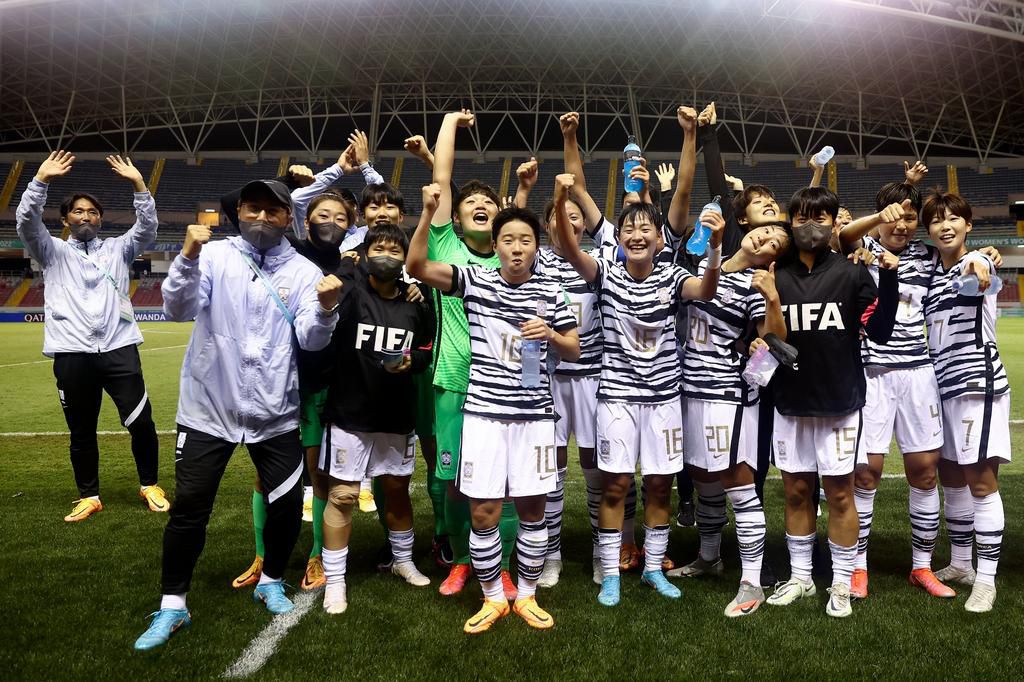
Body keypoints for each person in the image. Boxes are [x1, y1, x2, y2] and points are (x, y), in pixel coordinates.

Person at [133, 179, 340, 650]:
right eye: (253, 209)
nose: (262, 218)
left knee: (286, 506)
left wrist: (327, 310)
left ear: (290, 218)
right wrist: (185, 257)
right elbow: (178, 309)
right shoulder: (213, 256)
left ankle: (270, 580)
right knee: (190, 509)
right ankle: (172, 605)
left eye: (273, 211)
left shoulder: (306, 272)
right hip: (209, 409)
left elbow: (311, 340)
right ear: (238, 212)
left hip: (275, 413)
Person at [407, 183, 580, 634]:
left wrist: (553, 336)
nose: (517, 248)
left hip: (536, 419)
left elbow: (575, 348)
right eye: (508, 240)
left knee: (532, 512)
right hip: (483, 416)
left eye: (525, 240)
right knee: (482, 512)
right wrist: (426, 214)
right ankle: (490, 599)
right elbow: (417, 266)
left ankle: (525, 596)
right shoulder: (474, 280)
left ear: (536, 246)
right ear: (497, 246)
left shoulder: (552, 291)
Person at [553, 165, 723, 607]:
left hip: (664, 400)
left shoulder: (671, 277)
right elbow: (571, 249)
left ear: (659, 240)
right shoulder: (605, 272)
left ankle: (653, 568)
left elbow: (705, 291)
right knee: (616, 485)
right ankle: (610, 572)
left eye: (645, 227)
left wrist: (717, 246)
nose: (636, 233)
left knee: (661, 486)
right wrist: (559, 203)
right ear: (619, 238)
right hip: (618, 400)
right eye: (628, 227)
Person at [764, 186, 898, 618]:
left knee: (840, 494)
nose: (811, 225)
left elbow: (878, 332)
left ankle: (840, 582)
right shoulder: (774, 272)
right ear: (790, 222)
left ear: (834, 222)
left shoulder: (853, 271)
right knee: (796, 491)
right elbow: (765, 339)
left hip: (840, 403)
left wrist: (889, 277)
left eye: (820, 217)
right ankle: (801, 577)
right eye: (802, 217)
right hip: (789, 401)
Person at [15, 150, 167, 522]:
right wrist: (40, 181)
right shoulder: (52, 250)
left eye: (93, 212)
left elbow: (147, 228)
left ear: (100, 219)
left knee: (141, 422)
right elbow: (25, 221)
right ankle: (90, 495)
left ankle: (149, 484)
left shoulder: (119, 248)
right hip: (71, 352)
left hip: (118, 348)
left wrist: (138, 185)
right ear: (66, 219)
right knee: (81, 430)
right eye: (78, 212)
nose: (86, 216)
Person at [232, 191, 356, 592]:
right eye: (323, 214)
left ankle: (317, 555)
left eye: (340, 217)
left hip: (326, 382)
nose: (331, 222)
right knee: (264, 474)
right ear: (305, 218)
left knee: (319, 472)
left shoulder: (352, 263)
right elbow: (275, 205)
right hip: (281, 379)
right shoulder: (291, 253)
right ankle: (262, 555)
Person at [671, 220, 791, 618]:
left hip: (730, 395)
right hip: (687, 388)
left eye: (776, 243)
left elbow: (775, 342)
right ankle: (709, 557)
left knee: (737, 481)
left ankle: (752, 580)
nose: (766, 238)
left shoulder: (755, 288)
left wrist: (772, 300)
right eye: (767, 231)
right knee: (703, 477)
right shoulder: (701, 264)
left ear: (774, 259)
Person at [318, 222, 436, 614]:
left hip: (395, 414)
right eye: (378, 247)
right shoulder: (351, 292)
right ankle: (335, 581)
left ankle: (403, 560)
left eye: (394, 249)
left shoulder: (417, 301)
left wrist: (411, 361)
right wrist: (347, 268)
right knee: (343, 495)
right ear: (366, 253)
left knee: (398, 489)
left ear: (405, 259)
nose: (386, 254)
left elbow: (425, 350)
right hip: (350, 413)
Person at [428, 110, 519, 598]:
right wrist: (448, 124)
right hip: (454, 378)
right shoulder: (447, 249)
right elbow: (441, 179)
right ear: (457, 218)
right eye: (471, 203)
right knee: (454, 481)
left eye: (489, 202)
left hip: (503, 384)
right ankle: (463, 559)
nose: (480, 205)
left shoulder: (516, 257)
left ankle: (502, 565)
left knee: (501, 481)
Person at [922, 191, 1010, 613]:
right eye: (937, 220)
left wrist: (980, 261)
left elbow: (983, 270)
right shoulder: (932, 275)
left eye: (953, 218)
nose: (945, 225)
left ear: (968, 225)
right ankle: (960, 564)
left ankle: (987, 581)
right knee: (952, 478)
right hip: (942, 388)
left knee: (980, 481)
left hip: (978, 385)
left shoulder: (976, 260)